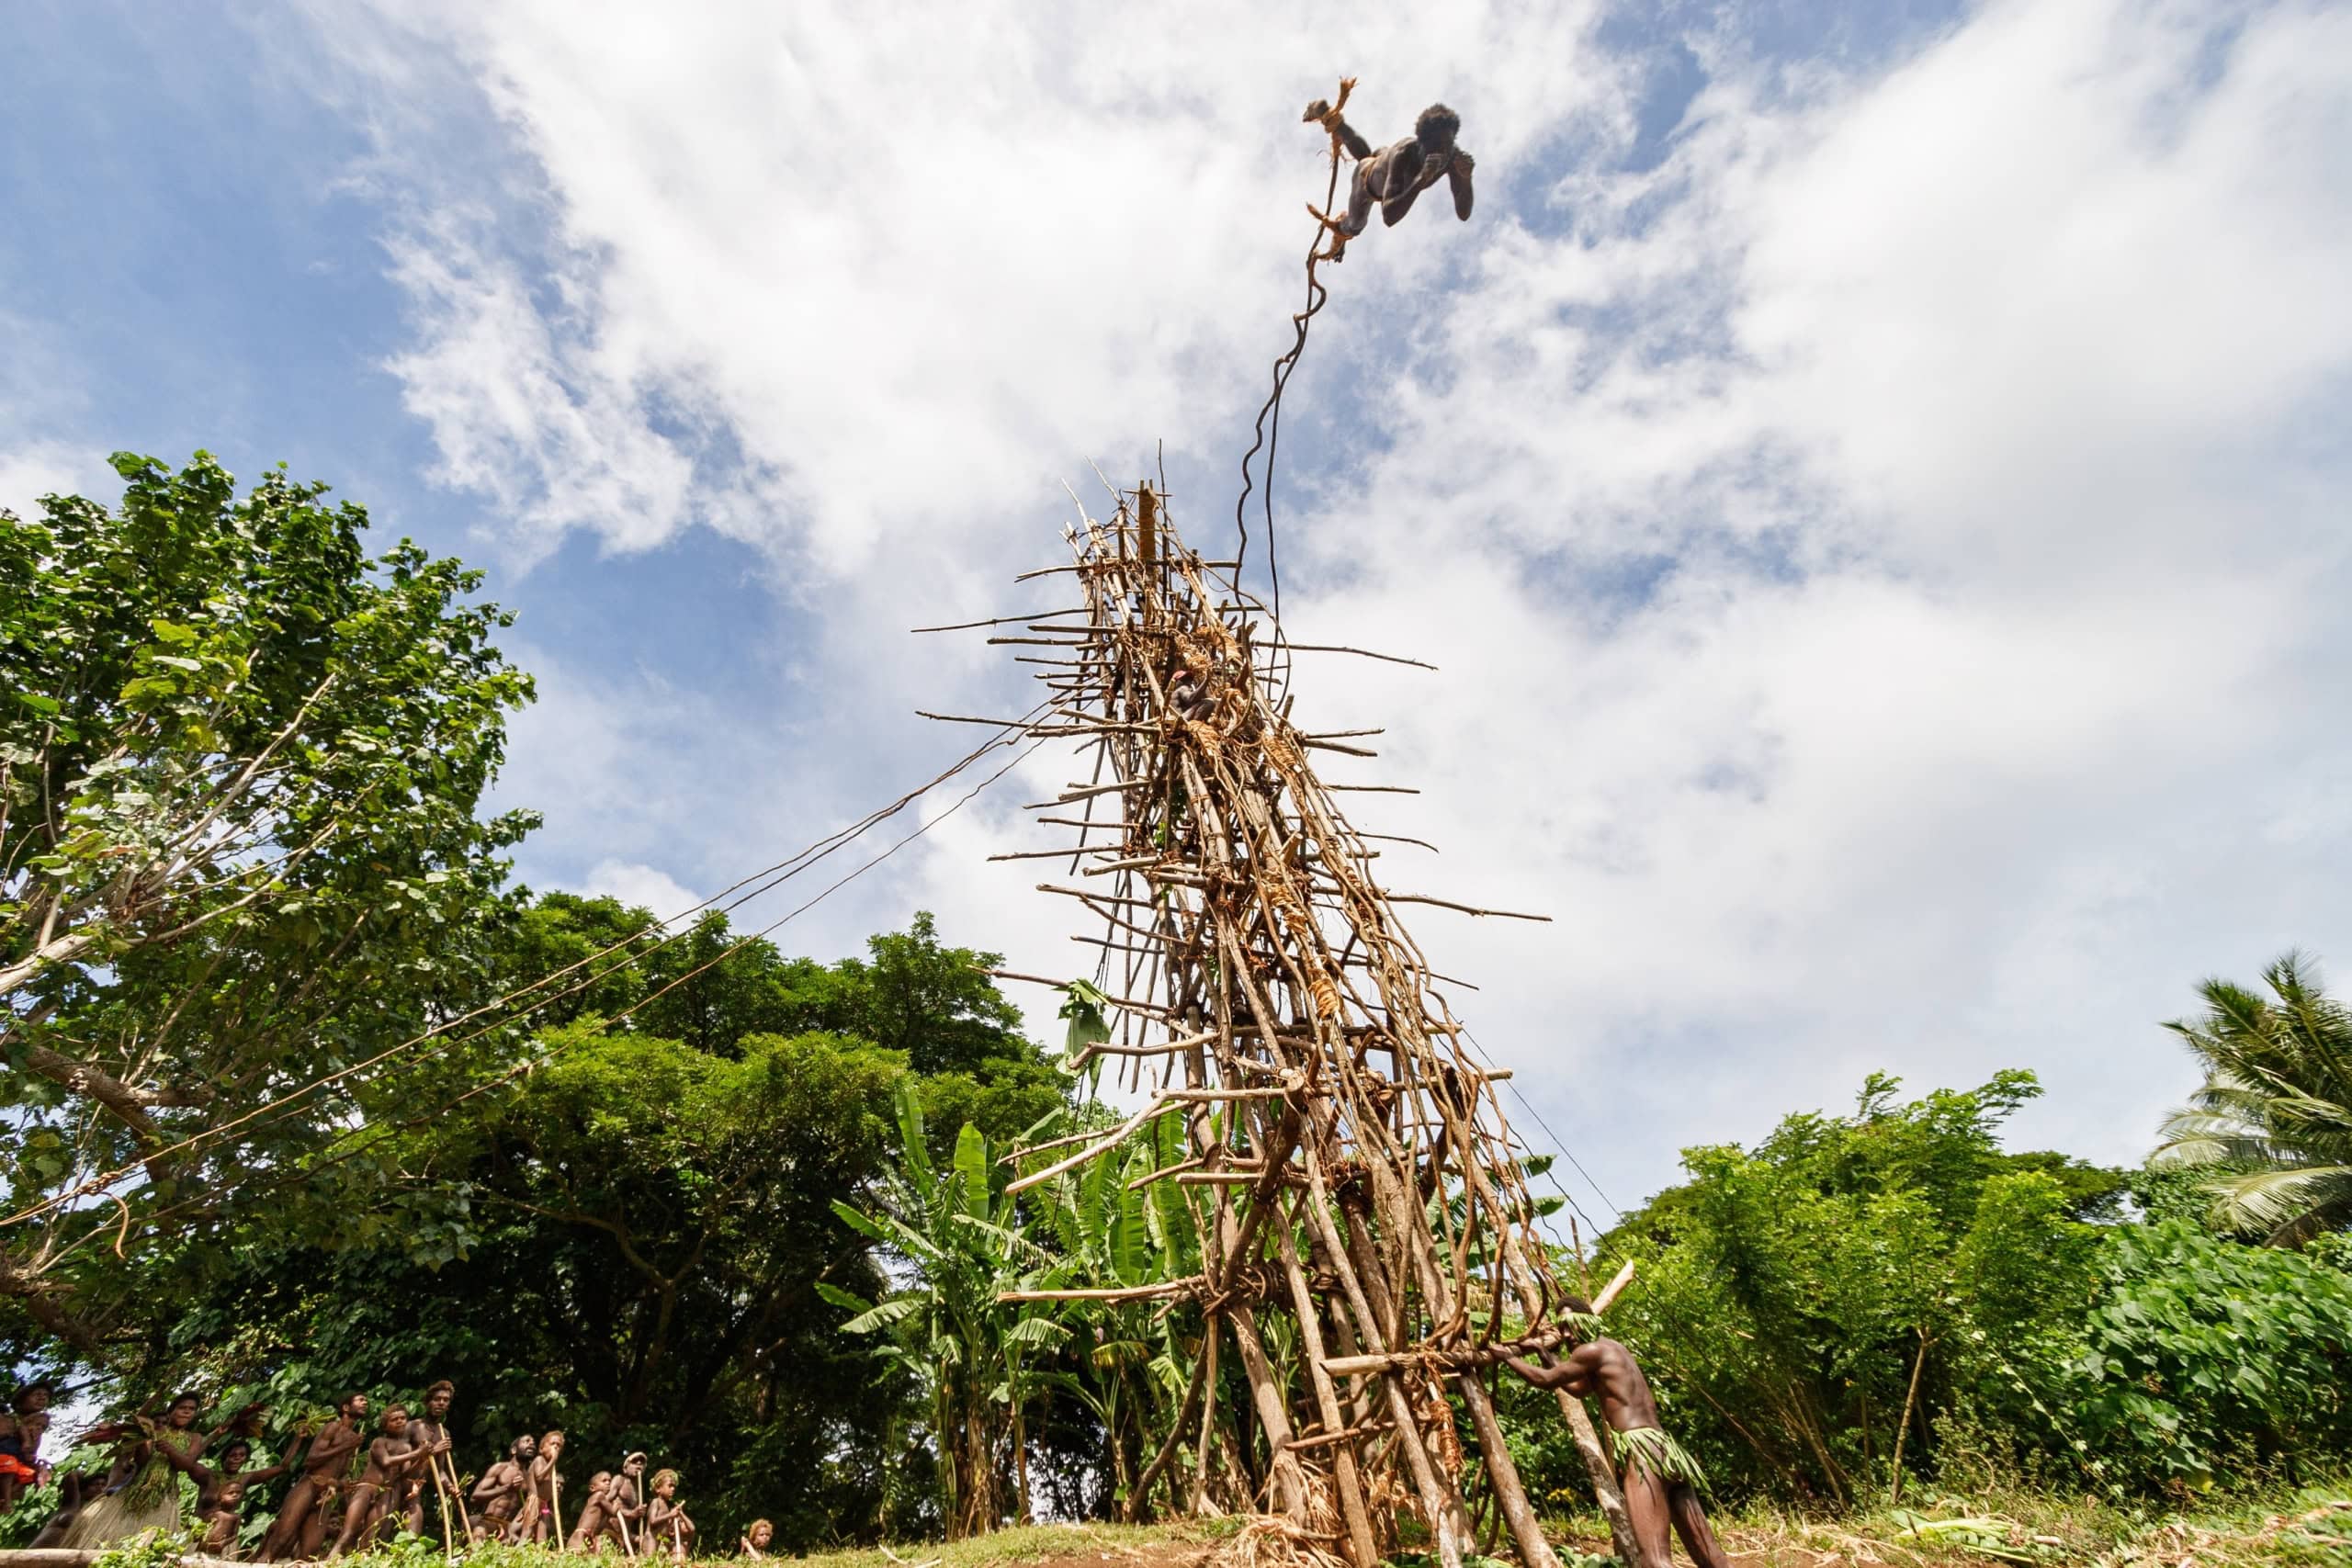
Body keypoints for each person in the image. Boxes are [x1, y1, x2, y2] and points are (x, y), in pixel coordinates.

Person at [1506, 1307, 1732, 1568]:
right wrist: (1546, 1355)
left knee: (1654, 1558)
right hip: (1668, 1452)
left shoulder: (1589, 1351)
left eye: (1570, 1324)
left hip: (1643, 1454)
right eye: (1562, 1328)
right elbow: (1578, 1389)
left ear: (1589, 1319)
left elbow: (1546, 1381)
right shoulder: (1613, 1350)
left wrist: (1507, 1357)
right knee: (1709, 1554)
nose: (1566, 1334)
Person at [1302, 98, 1476, 258]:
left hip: (1383, 160)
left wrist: (1466, 178)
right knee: (1355, 225)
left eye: (1449, 144)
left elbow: (1463, 214)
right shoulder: (1405, 154)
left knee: (1369, 157)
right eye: (1438, 146)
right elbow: (1389, 216)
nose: (1444, 152)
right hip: (1367, 181)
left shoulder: (1452, 156)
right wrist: (1422, 178)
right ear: (1422, 143)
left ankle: (1334, 121)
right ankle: (1341, 231)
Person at [61, 1392, 210, 1549]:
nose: (187, 1411)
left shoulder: (194, 1437)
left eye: (191, 1409)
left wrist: (171, 1451)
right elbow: (142, 1461)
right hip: (135, 1490)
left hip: (163, 1494)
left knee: (151, 1544)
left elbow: (186, 1464)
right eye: (182, 1407)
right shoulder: (155, 1431)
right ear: (171, 1411)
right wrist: (141, 1439)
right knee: (110, 1540)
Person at [261, 1393, 368, 1562]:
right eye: (360, 1400)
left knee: (309, 1553)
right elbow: (311, 1460)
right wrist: (346, 1445)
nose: (365, 1403)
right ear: (346, 1407)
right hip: (309, 1486)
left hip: (325, 1496)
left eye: (366, 1401)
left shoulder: (354, 1439)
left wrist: (339, 1484)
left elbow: (341, 1472)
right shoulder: (333, 1427)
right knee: (281, 1542)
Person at [331, 1404, 430, 1557]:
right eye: (394, 1419)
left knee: (371, 1537)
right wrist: (417, 1453)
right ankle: (331, 1560)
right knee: (348, 1533)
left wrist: (421, 1460)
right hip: (367, 1488)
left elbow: (403, 1475)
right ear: (385, 1425)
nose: (399, 1422)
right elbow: (386, 1461)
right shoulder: (379, 1441)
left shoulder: (406, 1448)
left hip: (385, 1494)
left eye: (402, 1418)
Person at [398, 1381, 460, 1541]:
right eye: (437, 1399)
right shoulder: (412, 1427)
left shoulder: (443, 1432)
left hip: (417, 1487)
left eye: (445, 1400)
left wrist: (451, 1487)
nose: (441, 1403)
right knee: (381, 1530)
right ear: (427, 1402)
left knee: (412, 1533)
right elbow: (399, 1463)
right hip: (399, 1483)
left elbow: (438, 1471)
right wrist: (432, 1451)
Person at [469, 1433, 536, 1540]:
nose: (532, 1444)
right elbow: (474, 1497)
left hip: (509, 1528)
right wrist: (506, 1488)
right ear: (514, 1450)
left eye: (533, 1443)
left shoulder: (529, 1479)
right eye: (527, 1441)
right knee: (479, 1533)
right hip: (489, 1521)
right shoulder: (500, 1468)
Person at [507, 1428, 566, 1544]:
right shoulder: (540, 1460)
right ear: (541, 1448)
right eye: (552, 1444)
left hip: (543, 1506)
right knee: (527, 1533)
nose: (555, 1447)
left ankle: (539, 1556)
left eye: (558, 1445)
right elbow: (539, 1478)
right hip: (534, 1502)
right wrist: (553, 1460)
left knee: (542, 1537)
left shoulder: (551, 1467)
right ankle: (517, 1552)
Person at [0, 1382, 54, 1507]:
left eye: (45, 1395)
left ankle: (5, 1500)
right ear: (21, 1402)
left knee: (29, 1474)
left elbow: (29, 1451)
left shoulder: (39, 1421)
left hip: (13, 1467)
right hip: (5, 1461)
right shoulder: (7, 1420)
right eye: (37, 1394)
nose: (42, 1398)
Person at [599, 1452, 650, 1555]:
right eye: (634, 1462)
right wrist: (631, 1513)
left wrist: (639, 1513)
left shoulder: (638, 1489)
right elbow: (605, 1503)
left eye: (642, 1462)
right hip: (610, 1528)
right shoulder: (619, 1480)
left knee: (646, 1541)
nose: (639, 1463)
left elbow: (634, 1515)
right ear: (625, 1468)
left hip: (626, 1533)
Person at [644, 1468, 695, 1562]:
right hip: (651, 1538)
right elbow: (652, 1521)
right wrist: (670, 1515)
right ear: (658, 1489)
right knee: (649, 1563)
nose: (673, 1489)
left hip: (660, 1539)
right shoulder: (656, 1502)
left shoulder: (667, 1506)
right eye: (670, 1486)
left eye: (674, 1486)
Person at [567, 1471, 616, 1552]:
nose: (608, 1483)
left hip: (585, 1537)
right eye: (604, 1481)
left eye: (609, 1481)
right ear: (592, 1488)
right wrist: (617, 1504)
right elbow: (613, 1512)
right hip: (579, 1538)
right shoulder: (599, 1495)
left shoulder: (596, 1500)